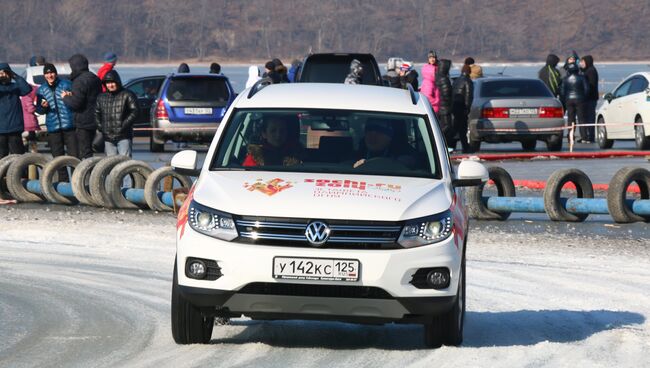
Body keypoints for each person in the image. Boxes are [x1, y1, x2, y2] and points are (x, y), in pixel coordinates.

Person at [36, 64, 78, 179]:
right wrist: (43, 107)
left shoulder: (66, 84)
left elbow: (76, 101)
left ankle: (77, 183)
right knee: (58, 159)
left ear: (56, 73)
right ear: (44, 75)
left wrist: (70, 97)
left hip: (69, 126)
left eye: (52, 73)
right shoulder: (41, 90)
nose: (50, 75)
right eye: (47, 73)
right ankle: (63, 184)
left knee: (74, 157)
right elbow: (39, 110)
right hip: (53, 128)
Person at [62, 54, 102, 159]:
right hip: (94, 119)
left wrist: (65, 97)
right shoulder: (95, 78)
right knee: (88, 151)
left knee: (84, 152)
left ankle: (85, 174)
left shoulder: (79, 81)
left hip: (83, 121)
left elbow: (75, 104)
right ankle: (89, 173)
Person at [95, 70, 138, 157]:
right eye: (108, 83)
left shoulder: (128, 94)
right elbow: (96, 113)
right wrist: (101, 127)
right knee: (110, 163)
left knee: (125, 163)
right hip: (108, 137)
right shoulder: (101, 97)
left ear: (117, 82)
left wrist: (123, 125)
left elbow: (135, 111)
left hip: (124, 136)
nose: (110, 85)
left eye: (112, 82)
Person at [0, 63, 31, 158]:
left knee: (18, 158)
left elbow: (27, 89)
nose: (3, 75)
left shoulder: (15, 87)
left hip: (15, 129)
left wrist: (15, 75)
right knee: (1, 158)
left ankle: (20, 173)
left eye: (6, 72)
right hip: (0, 130)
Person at [560, 59, 589, 149]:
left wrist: (565, 98)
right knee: (581, 118)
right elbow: (587, 89)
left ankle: (570, 136)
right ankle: (584, 137)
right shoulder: (582, 78)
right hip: (580, 99)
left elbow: (562, 91)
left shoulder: (565, 79)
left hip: (569, 100)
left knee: (570, 119)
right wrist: (583, 97)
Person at [451, 64, 474, 153]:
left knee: (456, 127)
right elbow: (468, 95)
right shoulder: (468, 81)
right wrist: (467, 108)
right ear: (469, 72)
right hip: (462, 107)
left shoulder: (456, 80)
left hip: (455, 106)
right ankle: (465, 147)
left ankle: (452, 145)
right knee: (462, 128)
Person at [580, 55, 599, 143]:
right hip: (588, 98)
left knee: (590, 117)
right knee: (587, 117)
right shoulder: (587, 70)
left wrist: (585, 94)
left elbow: (591, 85)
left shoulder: (591, 71)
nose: (581, 63)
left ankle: (591, 136)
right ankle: (587, 135)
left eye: (583, 62)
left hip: (590, 98)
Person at [436, 59, 453, 143]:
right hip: (444, 106)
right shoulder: (444, 79)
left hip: (440, 105)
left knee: (443, 125)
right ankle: (437, 139)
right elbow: (446, 94)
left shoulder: (438, 76)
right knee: (447, 126)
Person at [20, 82, 40, 153]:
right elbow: (30, 109)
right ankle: (33, 156)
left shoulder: (22, 98)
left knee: (25, 142)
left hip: (24, 124)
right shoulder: (28, 97)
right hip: (30, 124)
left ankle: (24, 153)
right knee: (32, 142)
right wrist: (35, 107)